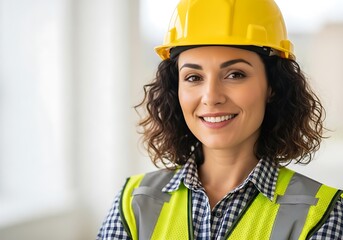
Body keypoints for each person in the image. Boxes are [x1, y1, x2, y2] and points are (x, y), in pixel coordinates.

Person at [97, 0, 343, 239]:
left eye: (235, 74)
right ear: (175, 89)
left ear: (273, 86)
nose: (211, 97)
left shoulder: (322, 215)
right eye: (193, 77)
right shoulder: (133, 204)